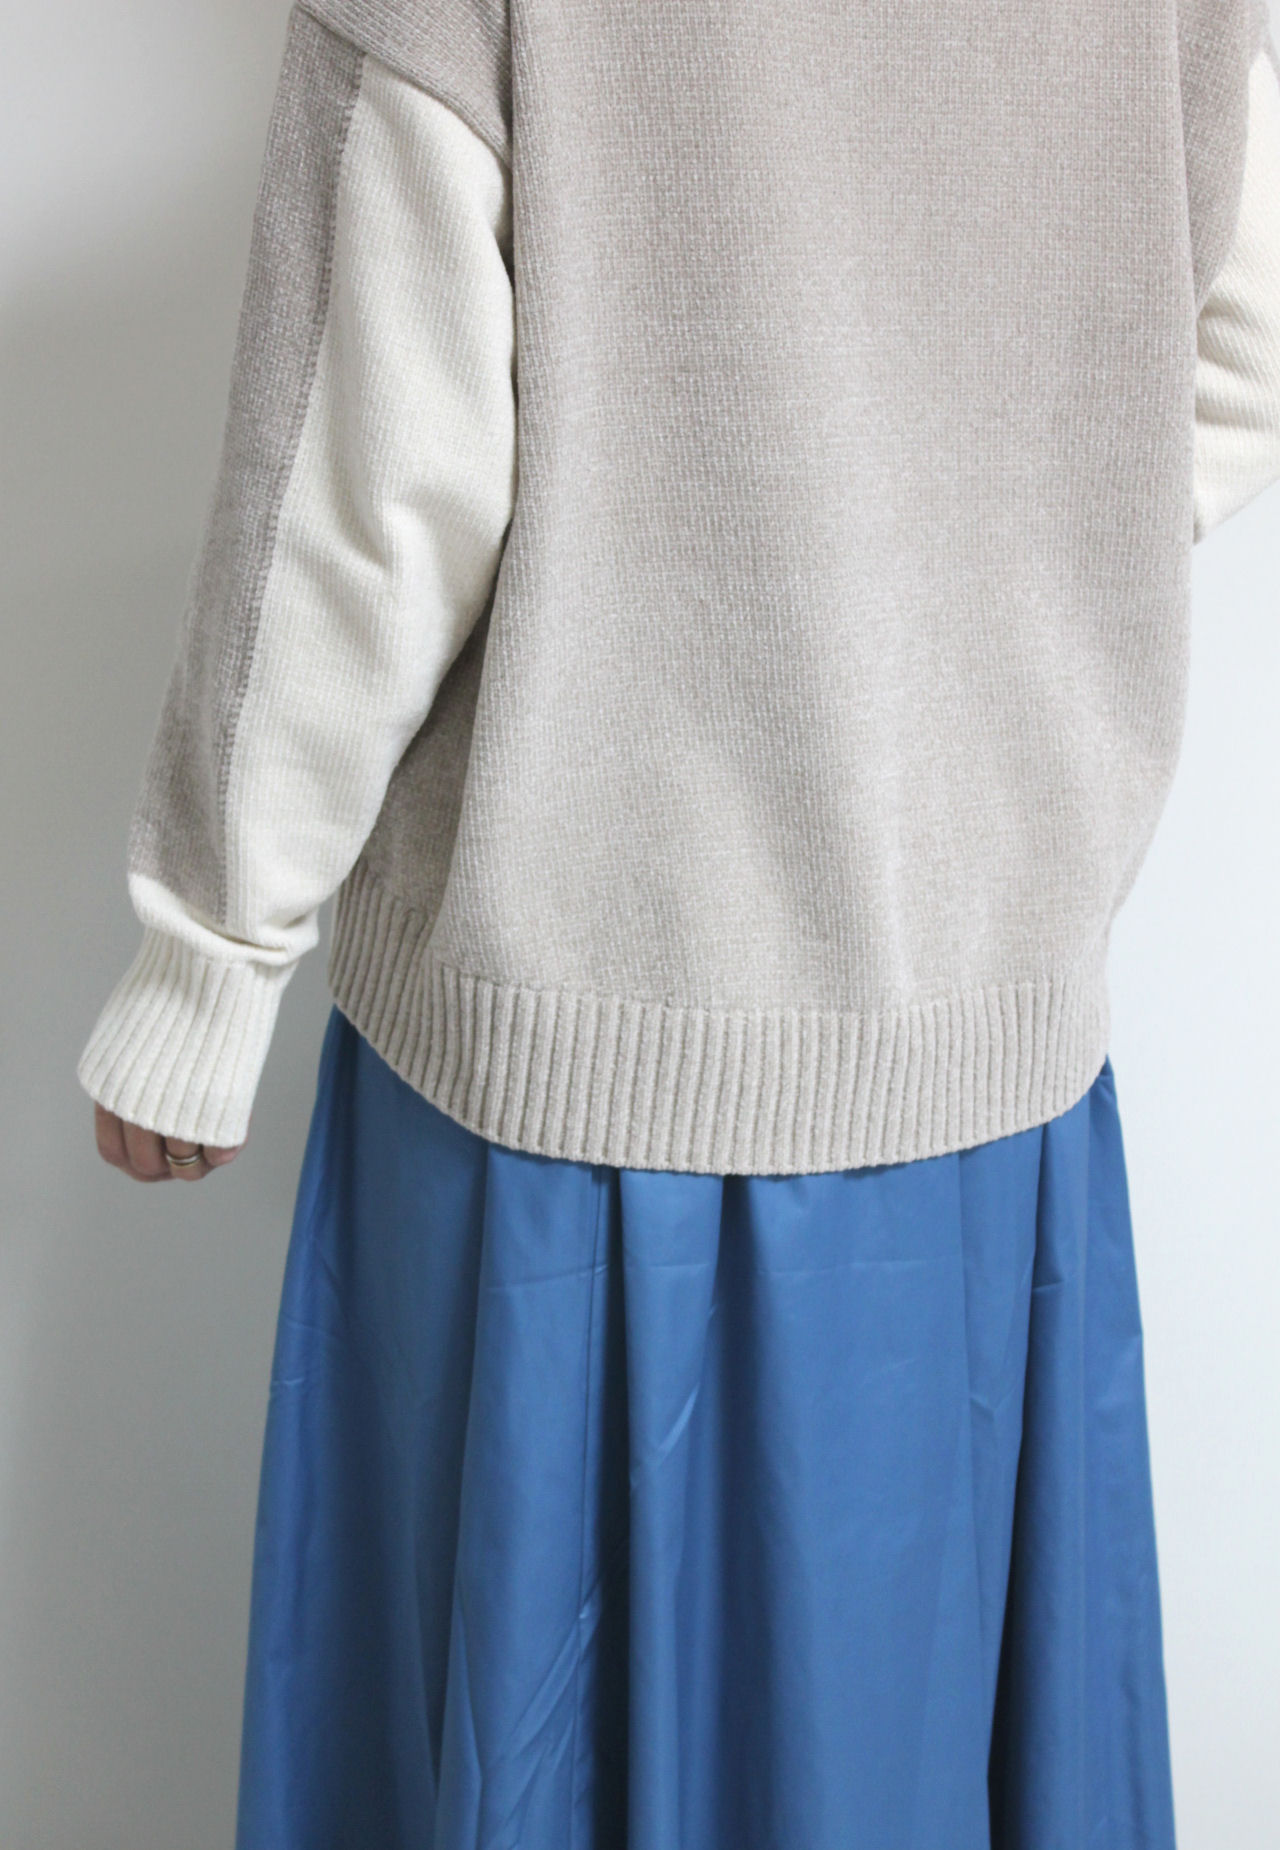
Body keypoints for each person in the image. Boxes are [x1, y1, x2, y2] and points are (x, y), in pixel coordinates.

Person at [79, 2, 1280, 1844]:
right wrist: (968, 582)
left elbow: (371, 489)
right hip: (982, 1092)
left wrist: (210, 953)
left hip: (567, 1099)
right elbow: (1234, 345)